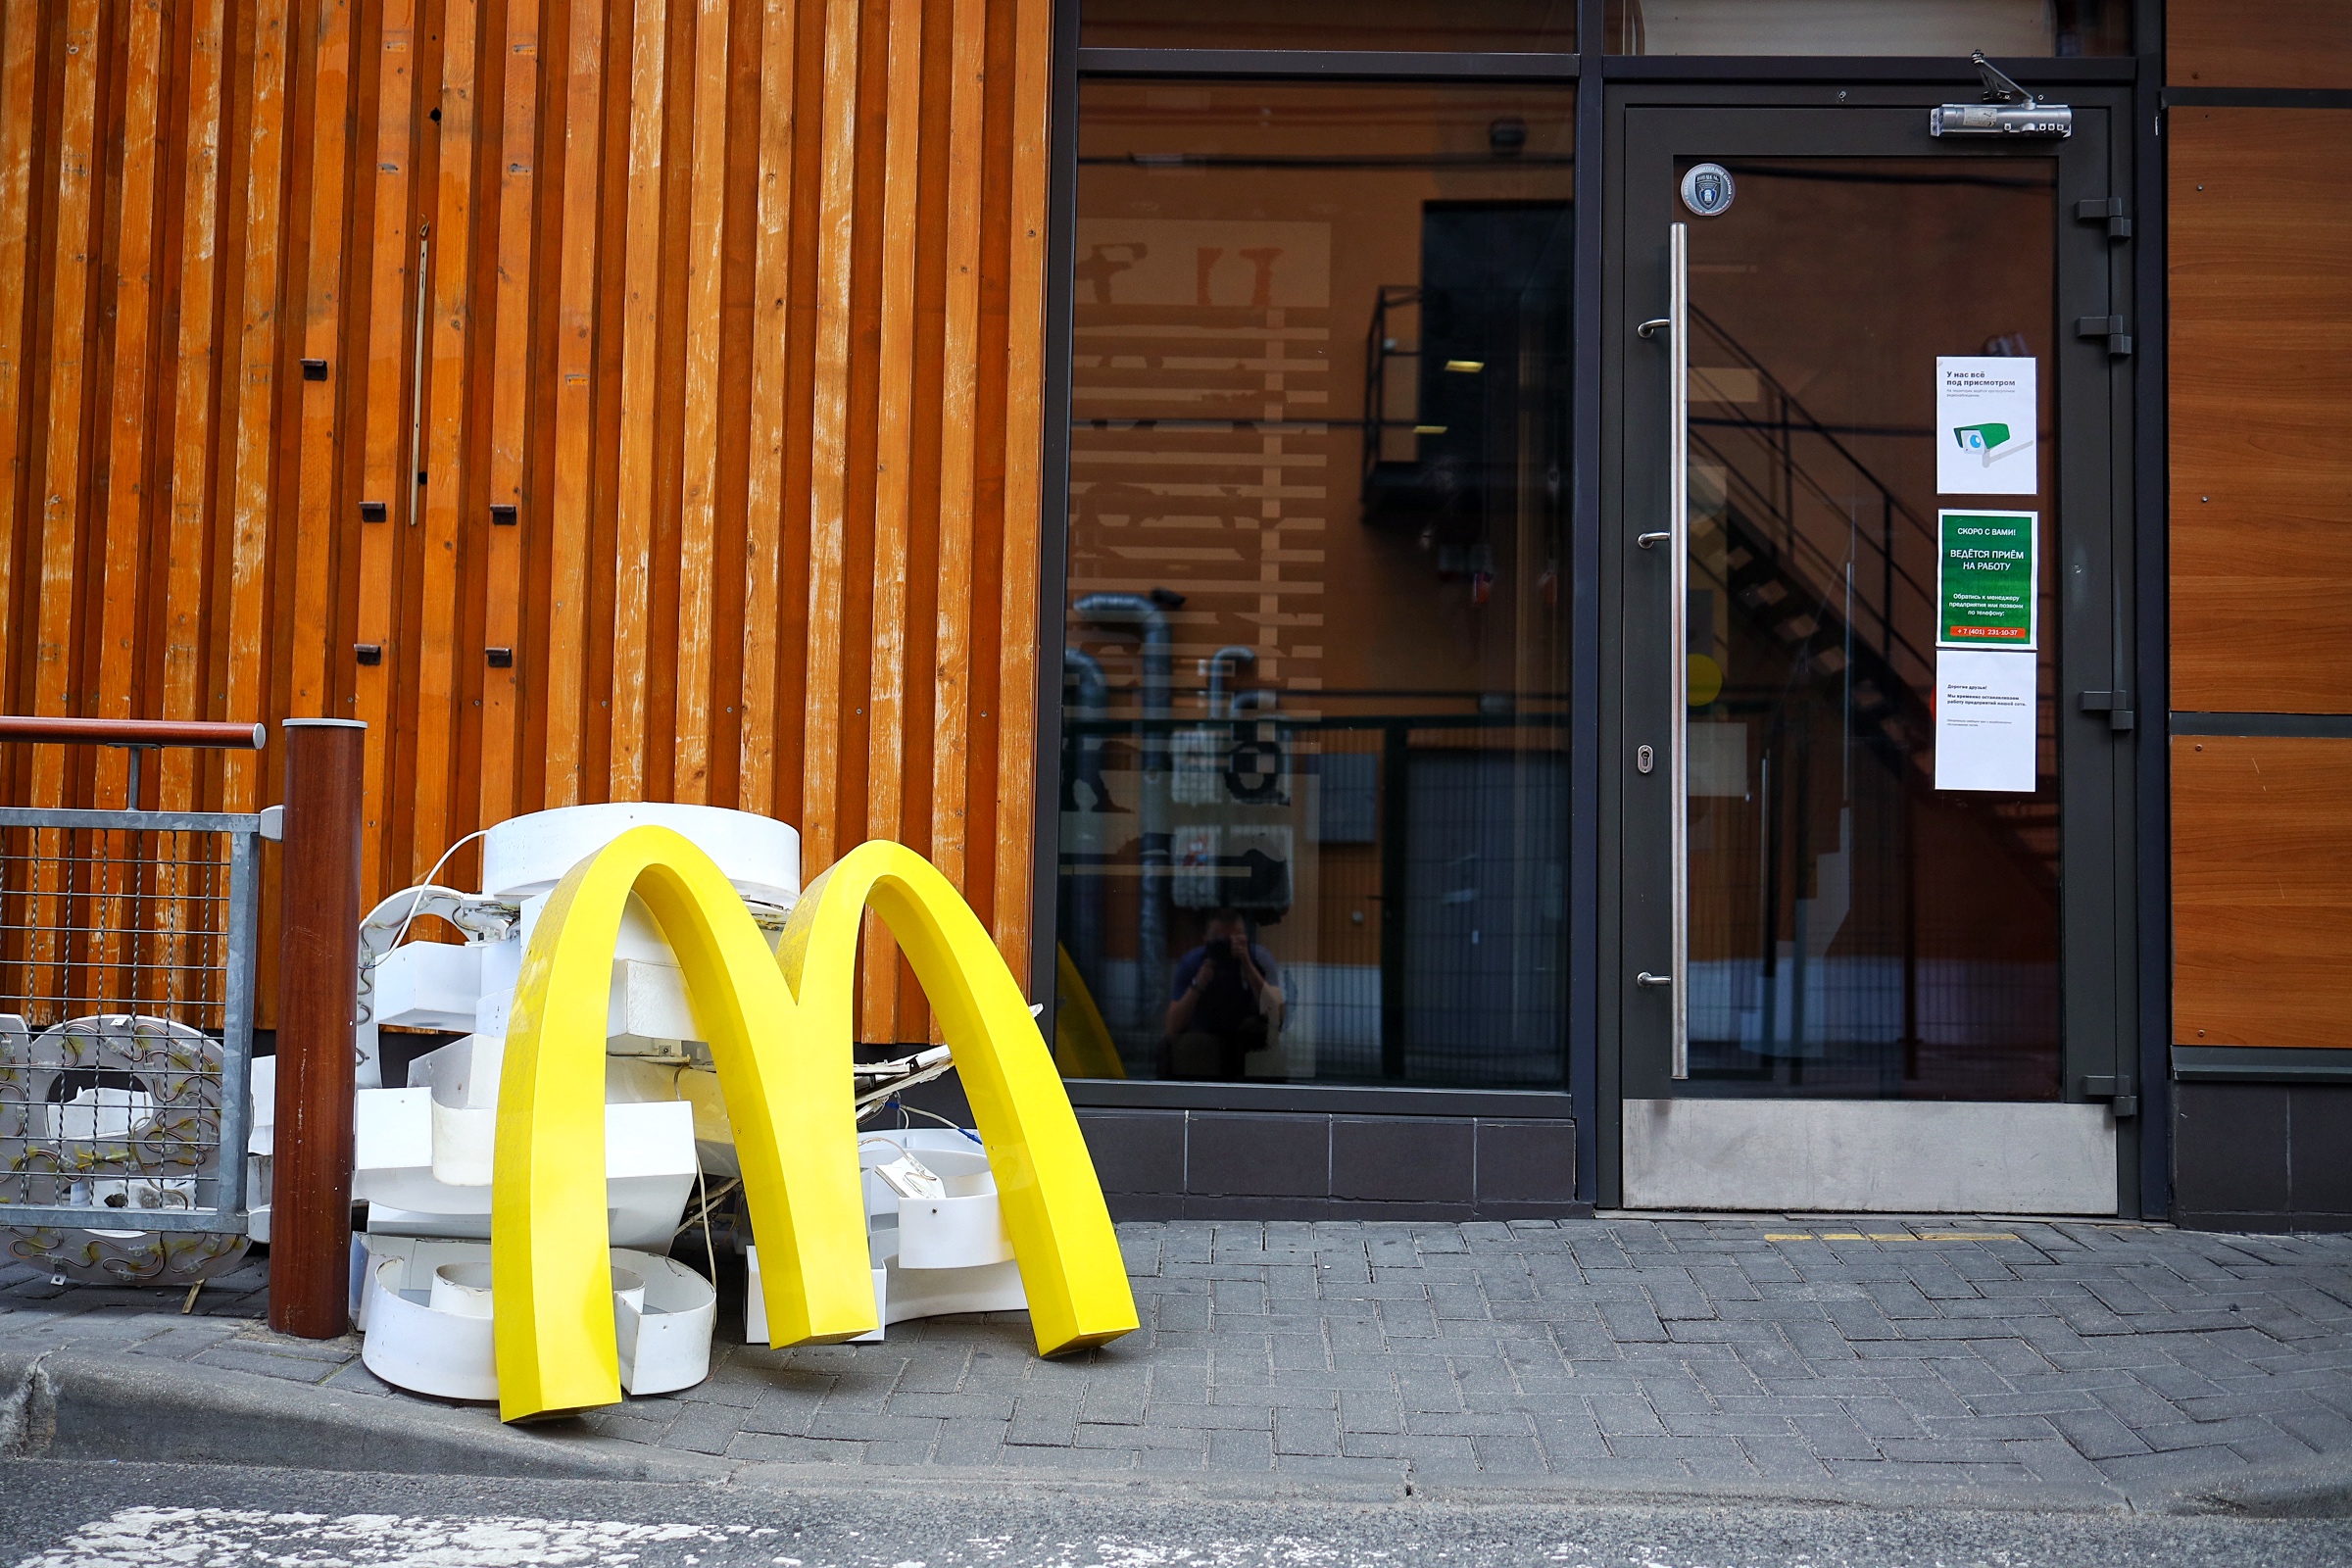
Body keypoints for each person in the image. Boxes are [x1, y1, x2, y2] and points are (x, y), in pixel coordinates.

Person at [1164, 907, 1284, 1081]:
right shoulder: (1193, 963)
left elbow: (1277, 1015)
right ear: (1206, 940)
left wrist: (1247, 965)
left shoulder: (1259, 959)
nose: (1226, 946)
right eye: (1219, 941)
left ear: (1245, 939)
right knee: (1190, 1044)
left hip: (1248, 1041)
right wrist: (1198, 982)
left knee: (1260, 1032)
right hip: (1206, 1042)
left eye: (1234, 940)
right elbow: (1172, 1027)